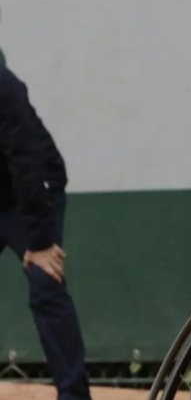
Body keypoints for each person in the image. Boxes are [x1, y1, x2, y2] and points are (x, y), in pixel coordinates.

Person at [0, 47, 92, 400]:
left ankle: (74, 395)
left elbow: (26, 162)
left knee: (44, 281)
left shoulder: (5, 87)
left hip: (34, 192)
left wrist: (39, 244)